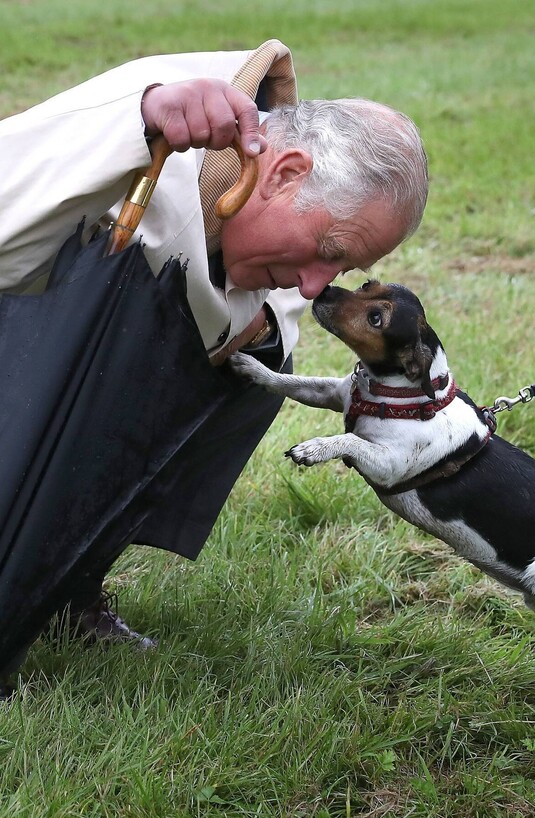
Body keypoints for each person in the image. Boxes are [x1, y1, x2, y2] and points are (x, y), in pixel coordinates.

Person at [0, 40, 428, 669]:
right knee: (120, 301)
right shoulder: (159, 106)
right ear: (283, 175)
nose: (316, 286)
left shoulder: (263, 225)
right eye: (328, 251)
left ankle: (67, 577)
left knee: (260, 368)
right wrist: (139, 120)